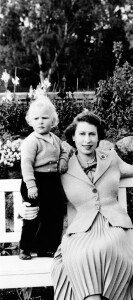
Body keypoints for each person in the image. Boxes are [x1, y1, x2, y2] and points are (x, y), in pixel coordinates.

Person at [21, 110, 133, 300]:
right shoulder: (63, 167)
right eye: (82, 134)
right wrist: (24, 209)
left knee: (108, 248)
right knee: (80, 256)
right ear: (73, 138)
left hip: (115, 226)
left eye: (92, 134)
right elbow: (43, 194)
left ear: (99, 137)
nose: (87, 140)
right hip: (81, 231)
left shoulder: (111, 158)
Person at [19, 96, 69, 260]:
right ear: (30, 122)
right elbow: (26, 164)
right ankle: (25, 248)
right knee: (32, 214)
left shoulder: (55, 139)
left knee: (54, 214)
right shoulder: (31, 141)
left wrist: (62, 161)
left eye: (45, 118)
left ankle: (46, 247)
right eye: (36, 118)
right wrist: (31, 185)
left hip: (52, 181)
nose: (40, 121)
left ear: (52, 120)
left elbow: (64, 152)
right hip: (34, 180)